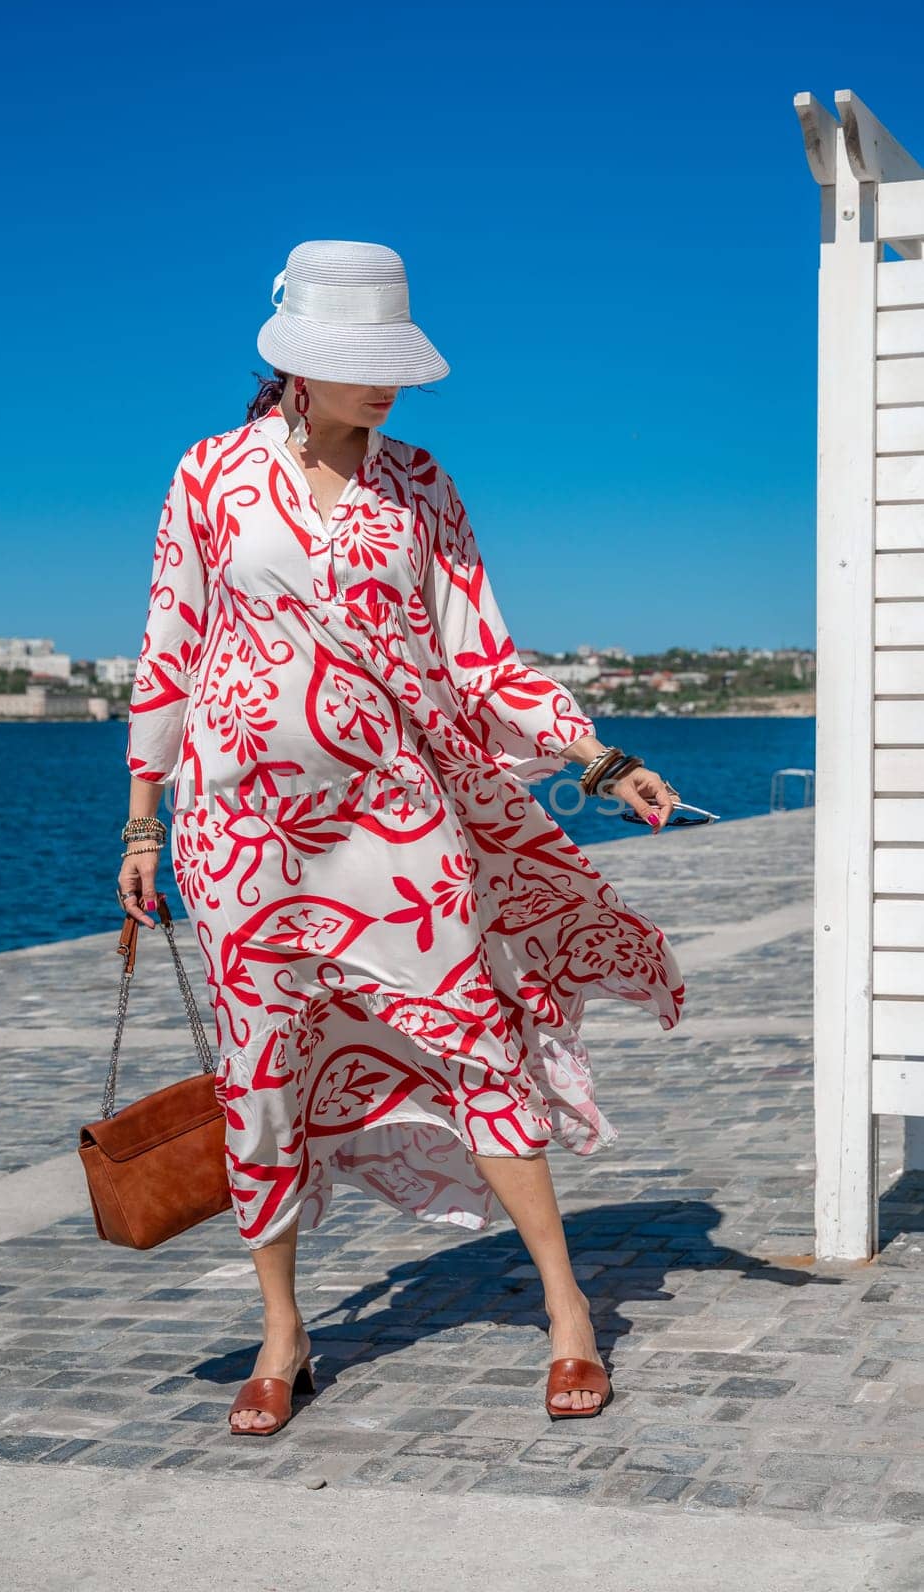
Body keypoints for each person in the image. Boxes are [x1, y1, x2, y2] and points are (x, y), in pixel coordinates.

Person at [117, 240, 685, 1434]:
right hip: (239, 830)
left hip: (392, 816)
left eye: (391, 363)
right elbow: (169, 646)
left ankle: (568, 1310)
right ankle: (283, 1331)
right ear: (296, 364)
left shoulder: (421, 486)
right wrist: (140, 817)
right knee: (257, 1072)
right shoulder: (210, 476)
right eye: (355, 362)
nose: (381, 385)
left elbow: (480, 655)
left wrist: (598, 754)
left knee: (474, 1042)